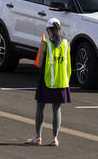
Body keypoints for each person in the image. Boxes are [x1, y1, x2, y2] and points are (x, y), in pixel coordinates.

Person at [26, 17, 71, 147]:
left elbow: (39, 64)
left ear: (48, 29)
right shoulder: (66, 43)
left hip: (46, 79)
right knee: (57, 109)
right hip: (61, 80)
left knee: (40, 107)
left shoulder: (45, 44)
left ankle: (38, 137)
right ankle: (55, 138)